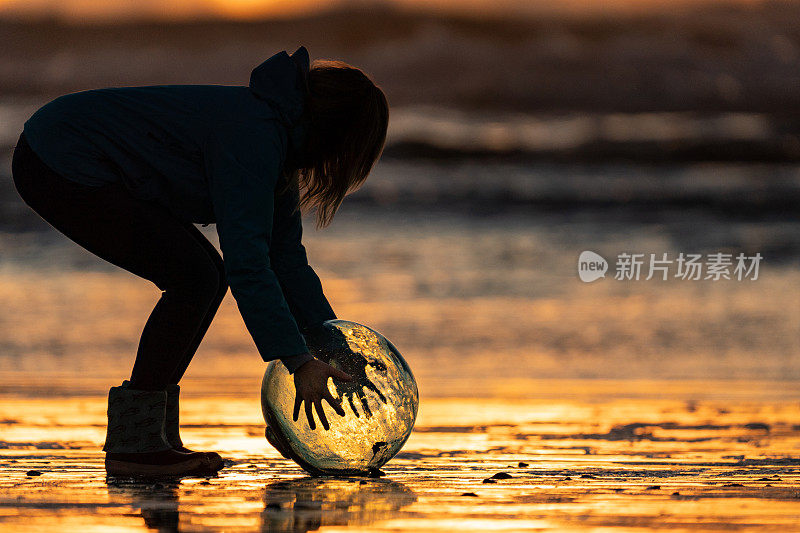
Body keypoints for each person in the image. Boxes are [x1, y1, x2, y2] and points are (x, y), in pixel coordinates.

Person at [11, 46, 389, 477]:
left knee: (202, 276)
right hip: (60, 157)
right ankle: (136, 446)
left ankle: (152, 440)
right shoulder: (255, 135)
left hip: (66, 149)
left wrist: (334, 348)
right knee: (196, 277)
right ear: (336, 135)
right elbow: (249, 263)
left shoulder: (278, 140)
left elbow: (287, 262)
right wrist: (299, 362)